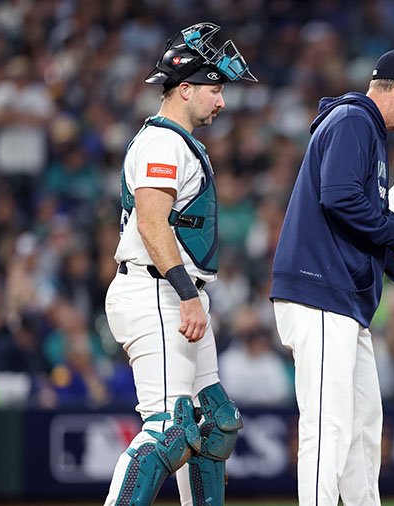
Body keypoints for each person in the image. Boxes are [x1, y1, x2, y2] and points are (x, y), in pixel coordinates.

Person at [269, 48, 394, 506]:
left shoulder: (366, 131)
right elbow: (340, 199)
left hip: (342, 298)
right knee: (329, 423)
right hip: (319, 290)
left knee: (363, 424)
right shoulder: (354, 120)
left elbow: (370, 228)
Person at [103, 22, 256, 506]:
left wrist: (190, 295)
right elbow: (152, 223)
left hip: (174, 291)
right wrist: (188, 295)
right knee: (169, 428)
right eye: (214, 89)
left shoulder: (176, 141)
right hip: (158, 292)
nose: (222, 101)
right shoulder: (163, 142)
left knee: (215, 423)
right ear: (184, 88)